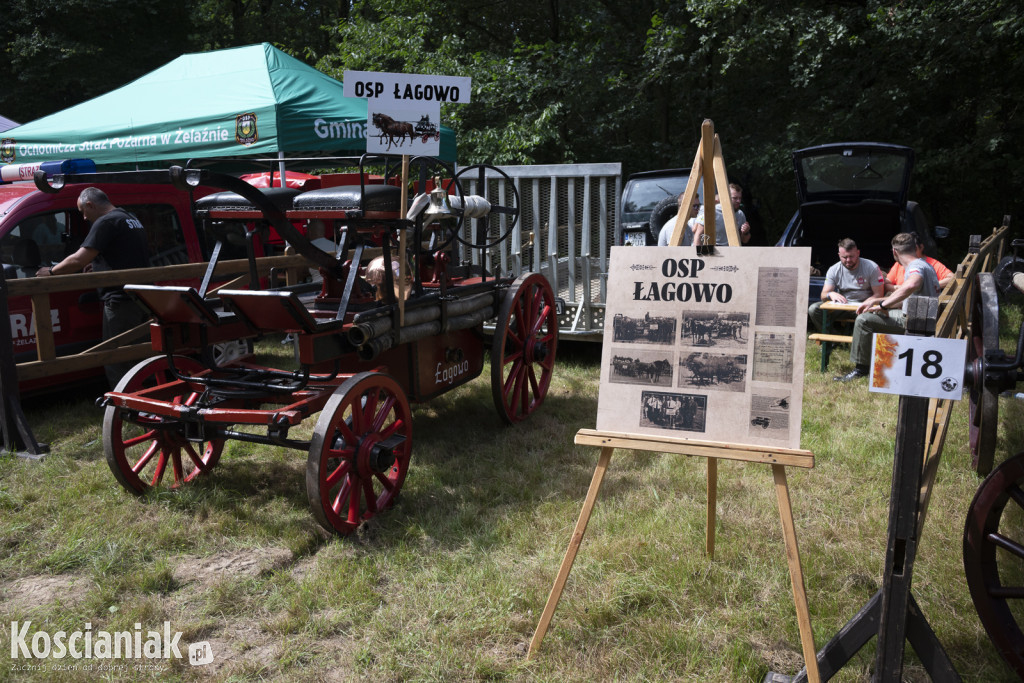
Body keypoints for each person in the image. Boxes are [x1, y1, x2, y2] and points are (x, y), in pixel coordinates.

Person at [36, 187, 150, 388]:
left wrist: (51, 271)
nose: (84, 217)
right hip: (142, 297)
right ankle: (148, 395)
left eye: (83, 212)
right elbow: (127, 255)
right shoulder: (129, 218)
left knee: (115, 356)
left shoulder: (105, 222)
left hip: (120, 300)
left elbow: (78, 260)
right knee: (138, 352)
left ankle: (125, 403)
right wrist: (99, 265)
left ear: (91, 205)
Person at [835, 232, 940, 382]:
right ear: (915, 248)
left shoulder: (914, 266)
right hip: (923, 317)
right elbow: (907, 298)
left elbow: (912, 284)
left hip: (917, 322)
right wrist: (876, 303)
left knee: (864, 320)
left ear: (894, 252)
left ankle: (861, 369)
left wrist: (883, 304)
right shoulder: (925, 264)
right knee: (872, 314)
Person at [807, 238, 884, 332]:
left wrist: (866, 303)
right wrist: (830, 294)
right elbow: (823, 295)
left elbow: (879, 294)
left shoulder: (872, 267)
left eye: (851, 256)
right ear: (839, 255)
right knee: (813, 309)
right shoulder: (834, 269)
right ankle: (832, 339)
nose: (848, 260)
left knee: (874, 315)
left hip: (865, 307)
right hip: (843, 306)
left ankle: (861, 341)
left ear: (858, 253)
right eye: (844, 257)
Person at [885, 231, 954, 290]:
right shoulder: (899, 264)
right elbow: (887, 283)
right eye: (908, 248)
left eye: (913, 248)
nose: (909, 251)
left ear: (921, 247)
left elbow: (952, 278)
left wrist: (928, 286)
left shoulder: (932, 264)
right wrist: (898, 288)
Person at [692, 183, 751, 247]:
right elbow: (698, 233)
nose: (738, 201)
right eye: (735, 198)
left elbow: (745, 240)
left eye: (740, 198)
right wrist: (697, 254)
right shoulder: (712, 211)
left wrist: (745, 232)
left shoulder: (740, 214)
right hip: (709, 249)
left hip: (728, 250)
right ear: (726, 197)